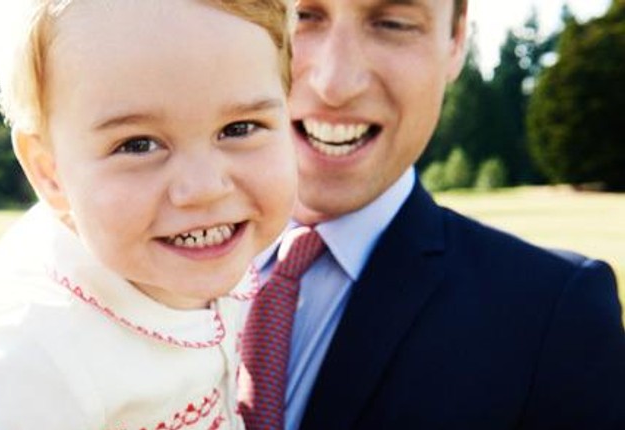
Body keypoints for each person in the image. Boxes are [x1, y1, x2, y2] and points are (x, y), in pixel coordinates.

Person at [0, 0, 297, 429]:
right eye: (137, 145)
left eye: (241, 128)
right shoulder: (32, 356)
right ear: (51, 173)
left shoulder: (210, 255)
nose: (205, 188)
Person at [239, 0, 625, 429]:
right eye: (303, 15)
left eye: (393, 23)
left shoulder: (553, 321)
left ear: (456, 41)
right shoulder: (151, 266)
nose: (335, 83)